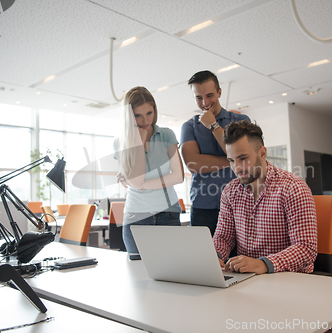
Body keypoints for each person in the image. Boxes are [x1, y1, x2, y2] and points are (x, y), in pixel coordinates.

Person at [214, 120, 317, 274]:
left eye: (243, 158)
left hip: (290, 280)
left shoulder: (293, 187)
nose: (237, 168)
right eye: (231, 161)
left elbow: (306, 248)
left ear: (262, 153)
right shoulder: (230, 191)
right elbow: (223, 237)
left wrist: (263, 264)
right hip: (247, 278)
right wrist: (216, 256)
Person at [114, 87, 184, 260]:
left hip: (168, 213)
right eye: (138, 115)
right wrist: (140, 141)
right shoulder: (120, 142)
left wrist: (143, 184)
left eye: (149, 113)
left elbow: (178, 176)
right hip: (136, 215)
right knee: (138, 277)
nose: (146, 120)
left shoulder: (166, 135)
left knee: (172, 270)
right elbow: (135, 181)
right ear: (129, 117)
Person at [180, 70, 250, 236]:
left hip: (239, 205)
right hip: (203, 207)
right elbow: (193, 164)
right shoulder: (189, 126)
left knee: (238, 260)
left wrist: (213, 126)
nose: (204, 102)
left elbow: (246, 157)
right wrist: (233, 160)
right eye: (198, 97)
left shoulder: (241, 121)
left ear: (219, 92)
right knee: (202, 260)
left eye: (209, 95)